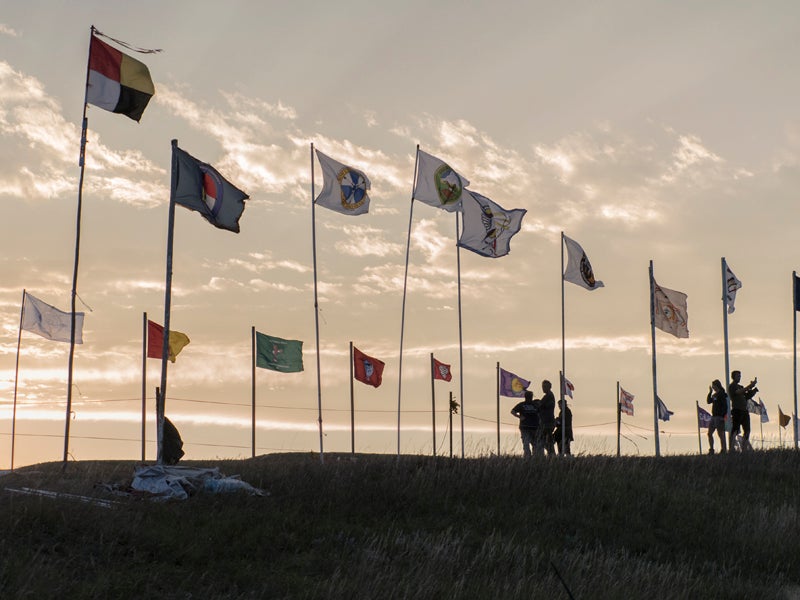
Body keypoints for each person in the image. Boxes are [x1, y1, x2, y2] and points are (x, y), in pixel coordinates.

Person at [728, 370, 757, 452]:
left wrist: (753, 389)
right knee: (735, 430)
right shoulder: (732, 386)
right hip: (737, 410)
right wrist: (749, 386)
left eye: (740, 376)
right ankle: (731, 448)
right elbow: (739, 392)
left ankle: (744, 449)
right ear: (733, 377)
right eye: (738, 376)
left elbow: (746, 396)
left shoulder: (741, 386)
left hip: (744, 411)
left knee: (747, 430)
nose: (739, 377)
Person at [510, 390, 539, 457]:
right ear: (525, 397)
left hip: (535, 427)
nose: (529, 398)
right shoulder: (521, 405)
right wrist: (519, 416)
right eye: (528, 396)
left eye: (530, 396)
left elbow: (541, 413)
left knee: (535, 444)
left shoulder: (536, 405)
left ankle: (535, 457)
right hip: (525, 427)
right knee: (526, 443)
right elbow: (512, 411)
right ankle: (527, 456)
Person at [706, 379, 728, 454]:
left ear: (717, 386)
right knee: (709, 433)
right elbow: (709, 401)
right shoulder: (714, 395)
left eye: (714, 386)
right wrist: (710, 393)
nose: (713, 388)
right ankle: (711, 449)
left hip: (719, 417)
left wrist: (723, 416)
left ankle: (723, 449)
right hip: (714, 416)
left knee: (720, 434)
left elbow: (725, 406)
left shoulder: (721, 394)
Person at [537, 380, 556, 456]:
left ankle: (551, 454)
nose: (543, 388)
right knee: (545, 440)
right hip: (545, 422)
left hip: (548, 422)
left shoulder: (549, 396)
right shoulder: (548, 396)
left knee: (546, 440)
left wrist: (539, 404)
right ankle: (550, 454)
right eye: (543, 386)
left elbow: (542, 405)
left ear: (549, 387)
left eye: (545, 386)